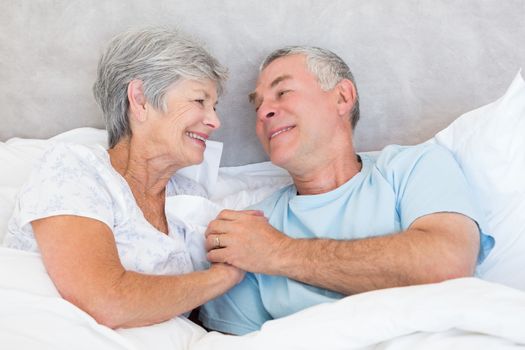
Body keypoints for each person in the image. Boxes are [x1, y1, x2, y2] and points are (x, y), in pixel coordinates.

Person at [199, 46, 495, 335]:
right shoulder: (250, 228)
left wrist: (277, 252)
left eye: (282, 92)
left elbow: (447, 265)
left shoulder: (413, 167)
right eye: (257, 104)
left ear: (342, 97)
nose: (264, 112)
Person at [3, 28, 244, 329]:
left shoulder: (190, 196)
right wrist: (224, 276)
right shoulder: (75, 169)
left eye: (214, 106)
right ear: (140, 99)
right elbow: (106, 301)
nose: (215, 121)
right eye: (199, 100)